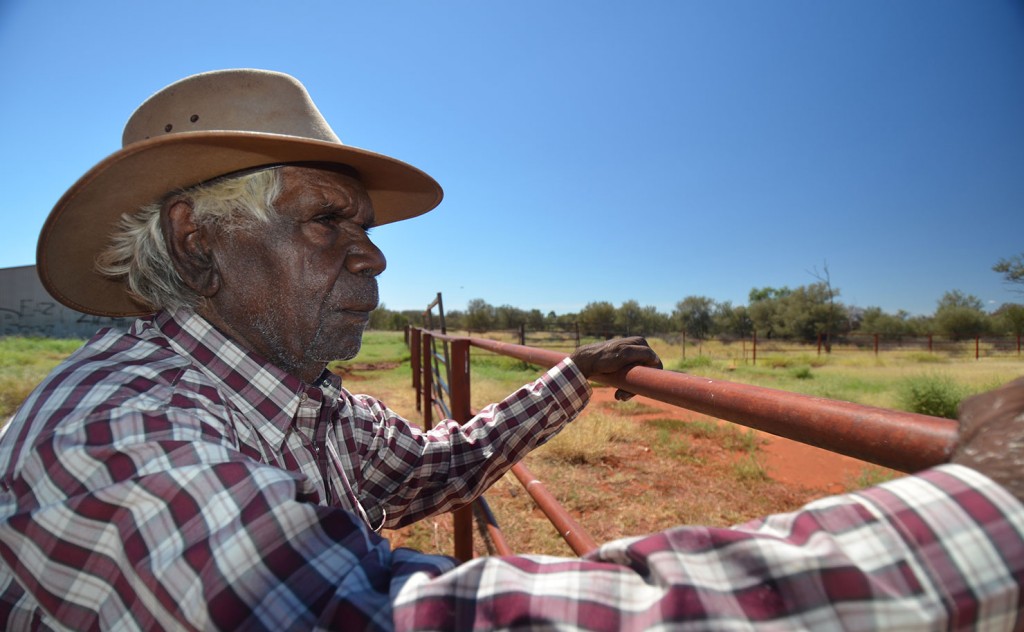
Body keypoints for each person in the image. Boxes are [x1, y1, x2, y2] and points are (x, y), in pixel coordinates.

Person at [0, 69, 1020, 631]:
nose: (371, 261)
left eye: (369, 229)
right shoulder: (119, 427)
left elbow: (426, 466)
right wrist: (979, 509)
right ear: (197, 238)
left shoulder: (302, 401)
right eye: (326, 220)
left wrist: (575, 375)